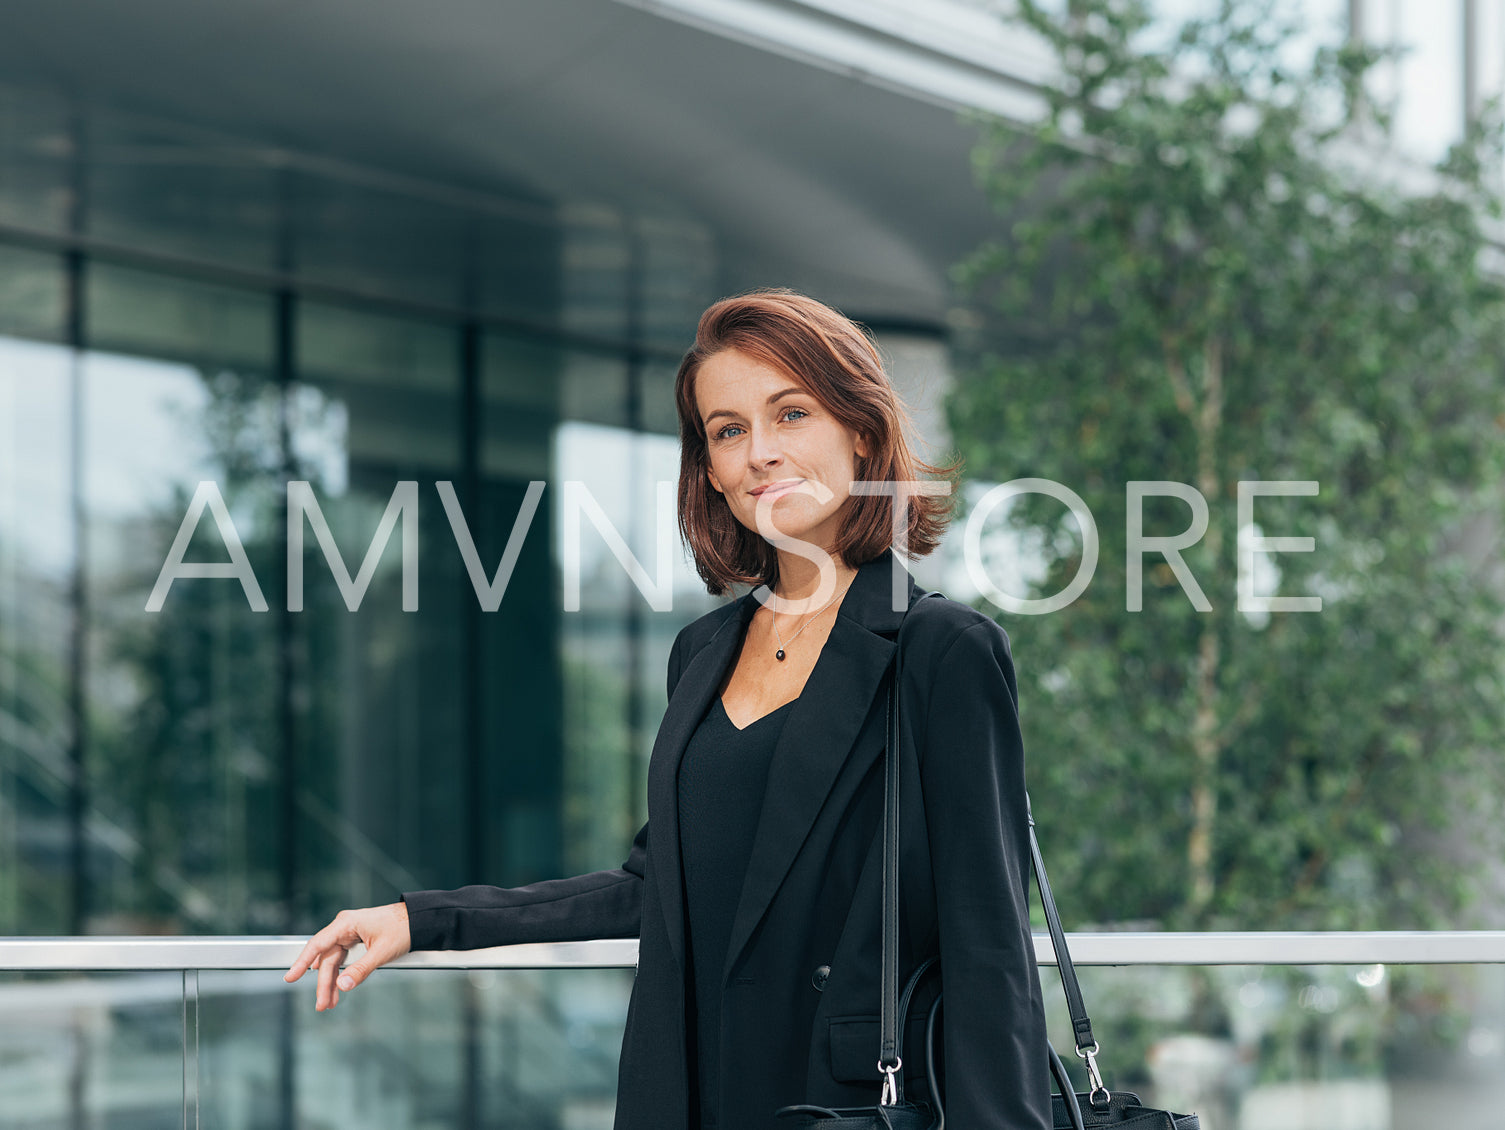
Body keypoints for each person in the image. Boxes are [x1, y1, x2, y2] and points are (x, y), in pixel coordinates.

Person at [285, 289, 1052, 1130]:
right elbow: (653, 888)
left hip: (843, 1105)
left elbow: (990, 950)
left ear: (860, 432)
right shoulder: (703, 652)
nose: (759, 452)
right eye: (727, 431)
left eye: (789, 414)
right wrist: (424, 919)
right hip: (688, 1091)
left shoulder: (941, 649)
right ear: (710, 472)